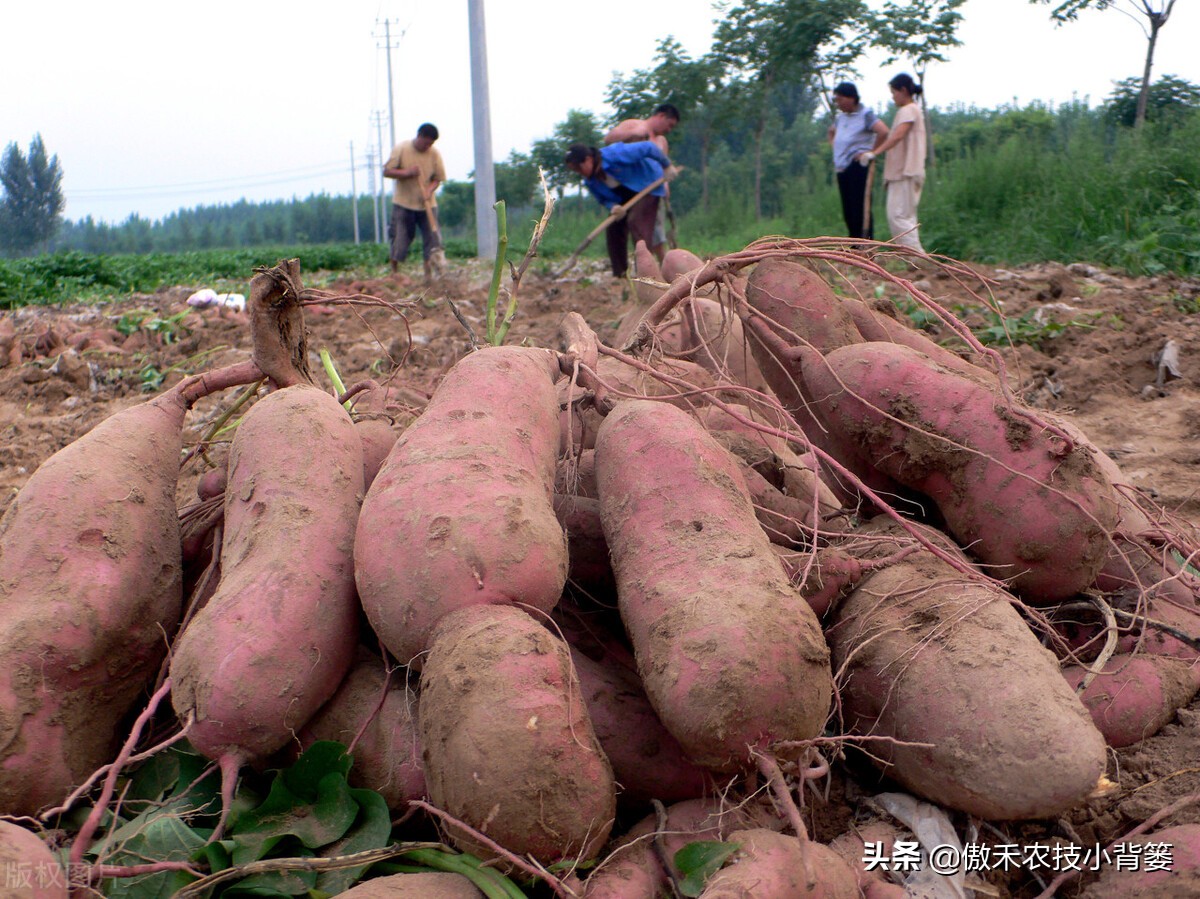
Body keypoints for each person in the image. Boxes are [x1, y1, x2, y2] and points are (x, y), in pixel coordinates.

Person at [565, 141, 678, 279]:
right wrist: (613, 206)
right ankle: (620, 275)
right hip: (623, 200)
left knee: (637, 223)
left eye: (579, 168)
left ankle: (645, 274)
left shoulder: (615, 154)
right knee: (613, 229)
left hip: (648, 188)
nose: (579, 172)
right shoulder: (590, 181)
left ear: (588, 159)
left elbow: (649, 147)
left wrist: (666, 165)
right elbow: (603, 199)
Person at [603, 103, 681, 262]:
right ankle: (623, 271)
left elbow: (662, 167)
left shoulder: (661, 141)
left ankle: (658, 264)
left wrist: (666, 186)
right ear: (661, 116)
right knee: (621, 228)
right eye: (669, 124)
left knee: (655, 232)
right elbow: (608, 139)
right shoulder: (634, 125)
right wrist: (633, 133)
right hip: (628, 188)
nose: (669, 129)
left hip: (652, 192)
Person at [860, 74, 927, 253]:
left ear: (903, 91)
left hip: (906, 171)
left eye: (894, 92)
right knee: (903, 217)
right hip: (902, 172)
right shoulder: (908, 110)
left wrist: (875, 153)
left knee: (899, 216)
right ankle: (914, 259)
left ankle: (917, 258)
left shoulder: (909, 109)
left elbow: (898, 135)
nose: (893, 97)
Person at [382, 122, 447, 278]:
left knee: (432, 239)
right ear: (419, 136)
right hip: (404, 204)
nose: (428, 146)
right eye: (426, 143)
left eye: (431, 144)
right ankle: (395, 272)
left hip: (427, 205)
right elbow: (387, 171)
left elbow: (438, 179)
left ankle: (429, 273)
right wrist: (407, 173)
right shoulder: (401, 149)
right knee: (400, 238)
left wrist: (429, 190)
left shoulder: (434, 154)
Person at [827, 82, 888, 240]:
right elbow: (832, 132)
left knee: (859, 206)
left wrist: (871, 152)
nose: (838, 103)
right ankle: (854, 244)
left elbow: (883, 131)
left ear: (851, 98)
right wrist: (835, 147)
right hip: (842, 167)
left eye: (840, 99)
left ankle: (865, 243)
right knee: (847, 208)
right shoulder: (841, 118)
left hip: (858, 165)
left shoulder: (865, 114)